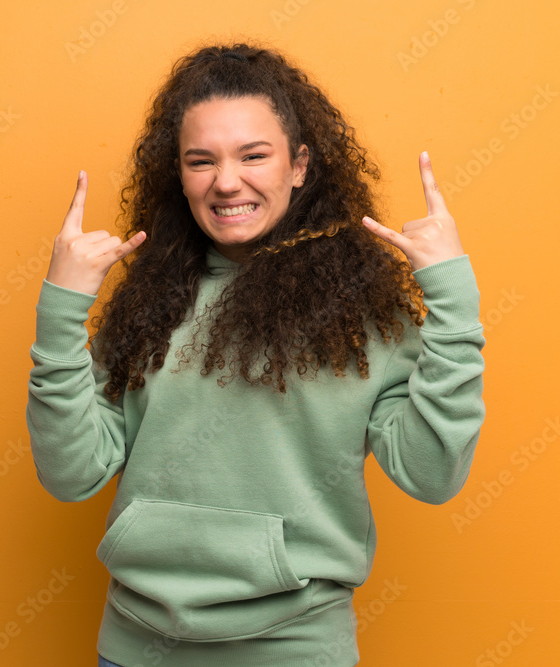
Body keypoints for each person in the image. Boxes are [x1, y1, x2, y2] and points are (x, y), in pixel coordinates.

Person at [26, 41, 485, 667]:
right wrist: (61, 309)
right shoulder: (146, 303)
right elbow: (71, 474)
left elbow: (432, 475)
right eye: (200, 161)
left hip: (295, 651)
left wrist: (453, 294)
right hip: (137, 649)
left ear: (299, 165)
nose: (226, 181)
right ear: (179, 176)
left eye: (253, 155)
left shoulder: (365, 315)